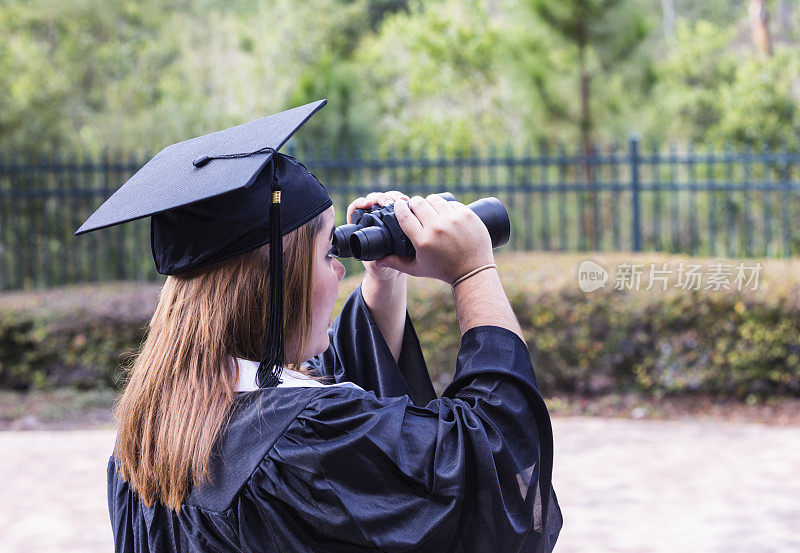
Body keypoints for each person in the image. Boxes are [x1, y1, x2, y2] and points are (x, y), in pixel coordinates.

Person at [78, 101, 562, 552]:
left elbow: (318, 392)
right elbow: (496, 460)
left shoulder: (146, 440)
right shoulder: (307, 445)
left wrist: (384, 276)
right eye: (330, 252)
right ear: (278, 283)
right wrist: (474, 271)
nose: (340, 271)